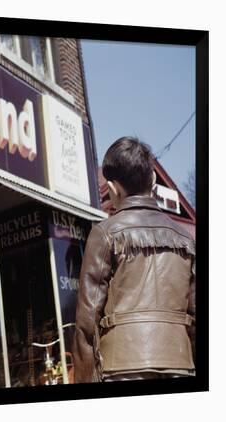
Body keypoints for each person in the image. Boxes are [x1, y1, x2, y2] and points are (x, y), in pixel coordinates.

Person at [72, 136, 196, 383]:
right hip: (181, 365)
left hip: (122, 368)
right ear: (152, 181)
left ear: (113, 188)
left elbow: (87, 323)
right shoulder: (186, 239)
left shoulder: (105, 233)